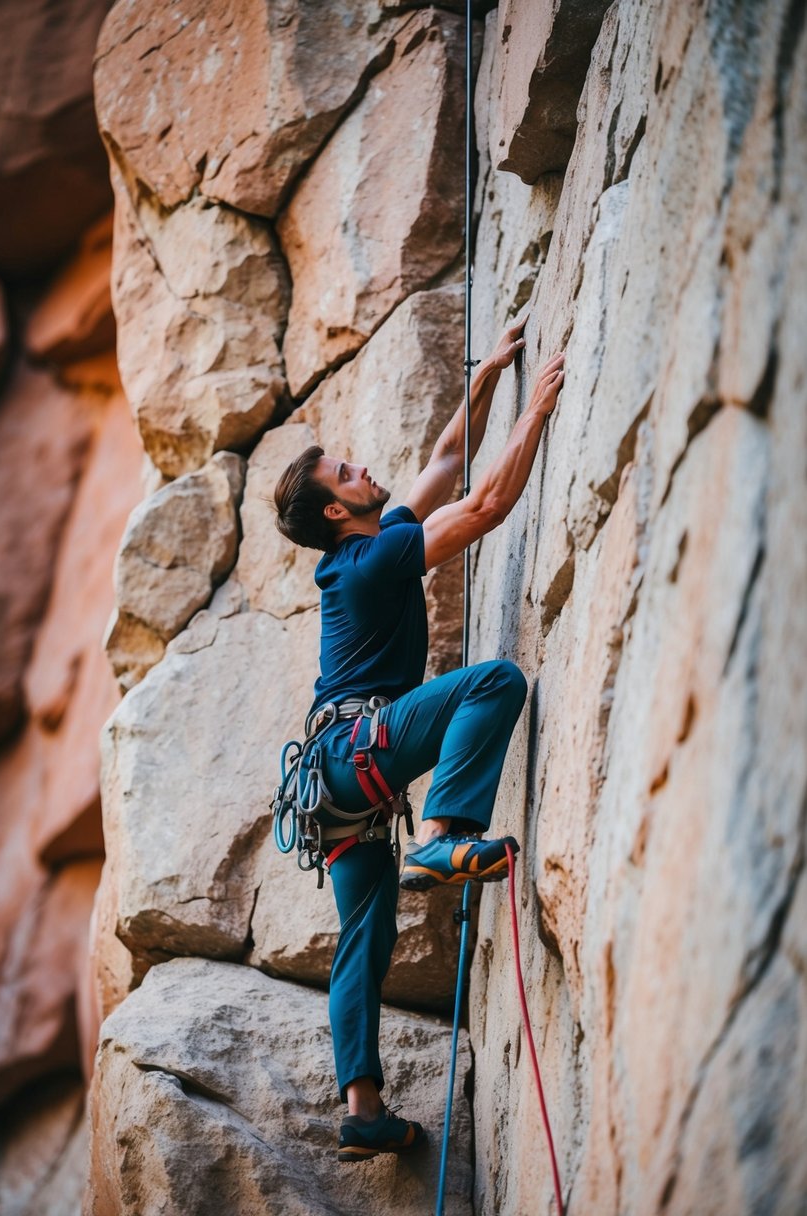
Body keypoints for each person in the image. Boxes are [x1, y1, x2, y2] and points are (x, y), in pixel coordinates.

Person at [273, 318, 564, 1163]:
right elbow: (483, 502)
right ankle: (442, 837)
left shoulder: (366, 548)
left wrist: (489, 373)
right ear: (337, 508)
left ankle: (362, 1108)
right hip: (356, 755)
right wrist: (536, 408)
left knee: (365, 936)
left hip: (334, 788)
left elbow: (443, 459)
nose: (365, 469)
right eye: (347, 473)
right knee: (493, 682)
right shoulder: (371, 561)